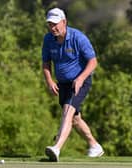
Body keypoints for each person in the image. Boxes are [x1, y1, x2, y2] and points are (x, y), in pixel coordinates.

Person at [42, 7, 104, 162]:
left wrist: (81, 78)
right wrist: (49, 80)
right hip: (63, 83)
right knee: (75, 119)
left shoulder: (78, 38)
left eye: (56, 24)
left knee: (68, 112)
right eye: (50, 24)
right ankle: (94, 145)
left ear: (64, 22)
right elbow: (46, 62)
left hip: (80, 81)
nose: (53, 27)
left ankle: (56, 148)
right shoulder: (48, 39)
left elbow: (93, 61)